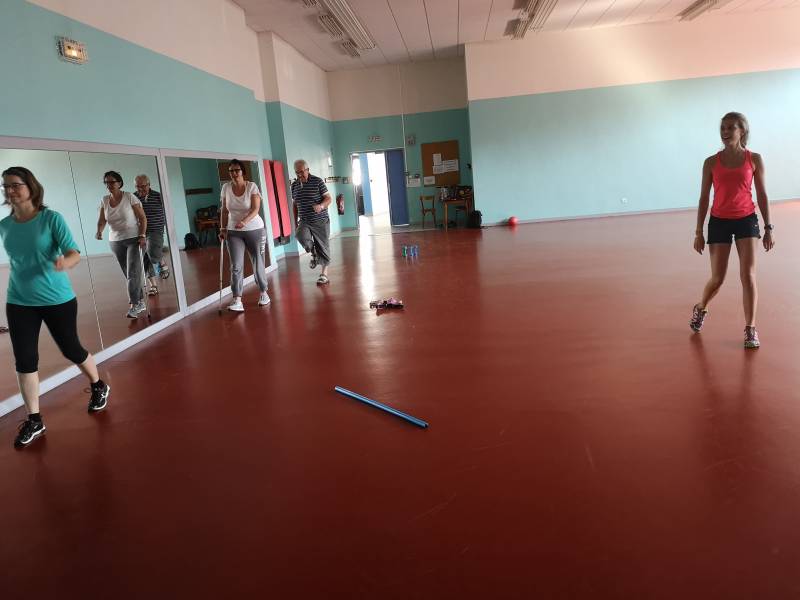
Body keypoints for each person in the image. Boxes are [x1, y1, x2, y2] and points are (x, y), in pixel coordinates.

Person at [1, 166, 111, 449]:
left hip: (57, 299)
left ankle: (98, 385)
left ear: (30, 186)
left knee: (71, 349)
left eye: (15, 185)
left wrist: (65, 262)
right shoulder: (5, 225)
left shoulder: (51, 219)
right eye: (5, 186)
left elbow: (73, 252)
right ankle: (34, 419)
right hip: (19, 300)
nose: (9, 190)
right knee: (25, 360)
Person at [690, 112, 775, 348]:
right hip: (719, 221)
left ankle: (750, 329)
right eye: (723, 128)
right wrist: (699, 232)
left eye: (731, 128)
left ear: (742, 131)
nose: (725, 132)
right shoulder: (710, 162)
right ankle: (701, 307)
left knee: (748, 275)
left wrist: (768, 227)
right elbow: (704, 198)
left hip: (746, 219)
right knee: (718, 278)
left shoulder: (754, 159)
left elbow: (762, 194)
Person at [218, 159, 270, 311]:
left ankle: (264, 292)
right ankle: (237, 299)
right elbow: (224, 210)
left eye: (237, 170)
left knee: (257, 261)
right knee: (236, 265)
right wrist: (223, 228)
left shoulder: (251, 186)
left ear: (242, 171)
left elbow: (255, 209)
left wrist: (244, 221)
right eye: (231, 171)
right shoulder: (226, 187)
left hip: (255, 229)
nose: (234, 173)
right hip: (234, 231)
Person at [95, 170, 148, 319]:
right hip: (115, 241)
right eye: (106, 182)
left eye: (112, 182)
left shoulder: (129, 197)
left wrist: (142, 235)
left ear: (119, 183)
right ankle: (140, 301)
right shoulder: (104, 200)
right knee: (129, 273)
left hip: (134, 238)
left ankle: (134, 305)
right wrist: (99, 231)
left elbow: (142, 218)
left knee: (132, 273)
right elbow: (102, 220)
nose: (109, 185)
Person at [291, 159, 332, 285]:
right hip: (304, 220)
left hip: (320, 220)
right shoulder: (294, 185)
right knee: (300, 235)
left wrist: (321, 206)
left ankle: (324, 274)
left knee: (323, 246)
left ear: (308, 170)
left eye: (302, 172)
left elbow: (328, 198)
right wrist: (295, 221)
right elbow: (295, 204)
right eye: (297, 172)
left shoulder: (317, 181)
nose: (300, 175)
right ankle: (314, 253)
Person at [134, 174, 170, 296]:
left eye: (143, 186)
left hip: (156, 230)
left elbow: (167, 211)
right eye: (137, 186)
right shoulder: (134, 197)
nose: (140, 189)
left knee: (152, 253)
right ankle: (153, 285)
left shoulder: (158, 196)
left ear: (149, 185)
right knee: (144, 257)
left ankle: (161, 260)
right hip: (141, 232)